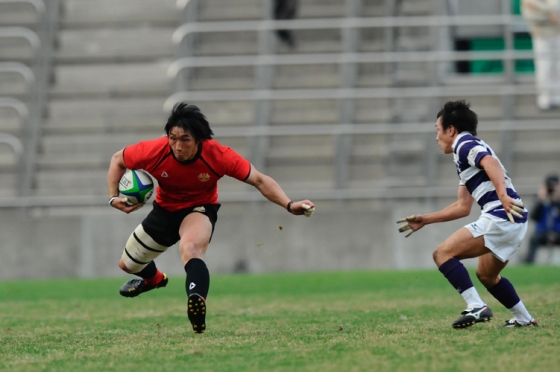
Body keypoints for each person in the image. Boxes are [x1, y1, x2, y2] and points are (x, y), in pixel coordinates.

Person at [107, 102, 315, 334]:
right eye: (172, 138)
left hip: (200, 208)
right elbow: (118, 160)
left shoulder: (218, 155)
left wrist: (289, 204)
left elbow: (259, 180)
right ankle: (155, 280)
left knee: (191, 248)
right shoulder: (154, 151)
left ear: (199, 139)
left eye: (185, 139)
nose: (177, 146)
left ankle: (197, 300)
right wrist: (113, 197)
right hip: (164, 211)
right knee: (128, 265)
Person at [396, 100, 538, 328]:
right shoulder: (465, 155)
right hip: (514, 220)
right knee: (487, 275)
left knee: (442, 254)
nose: (436, 137)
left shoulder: (464, 144)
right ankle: (524, 319)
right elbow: (463, 206)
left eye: (437, 130)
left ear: (450, 129)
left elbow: (491, 162)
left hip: (501, 216)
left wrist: (501, 194)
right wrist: (426, 219)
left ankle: (476, 306)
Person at [521, 0, 560, 110]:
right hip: (540, 33)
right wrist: (550, 15)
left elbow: (555, 7)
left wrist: (537, 6)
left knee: (557, 66)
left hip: (557, 32)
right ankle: (545, 99)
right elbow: (529, 15)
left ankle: (556, 97)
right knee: (544, 67)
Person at [524, 174, 560, 263]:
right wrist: (540, 201)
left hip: (558, 232)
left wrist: (557, 201)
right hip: (542, 232)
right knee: (533, 239)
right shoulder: (539, 198)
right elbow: (533, 217)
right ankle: (529, 264)